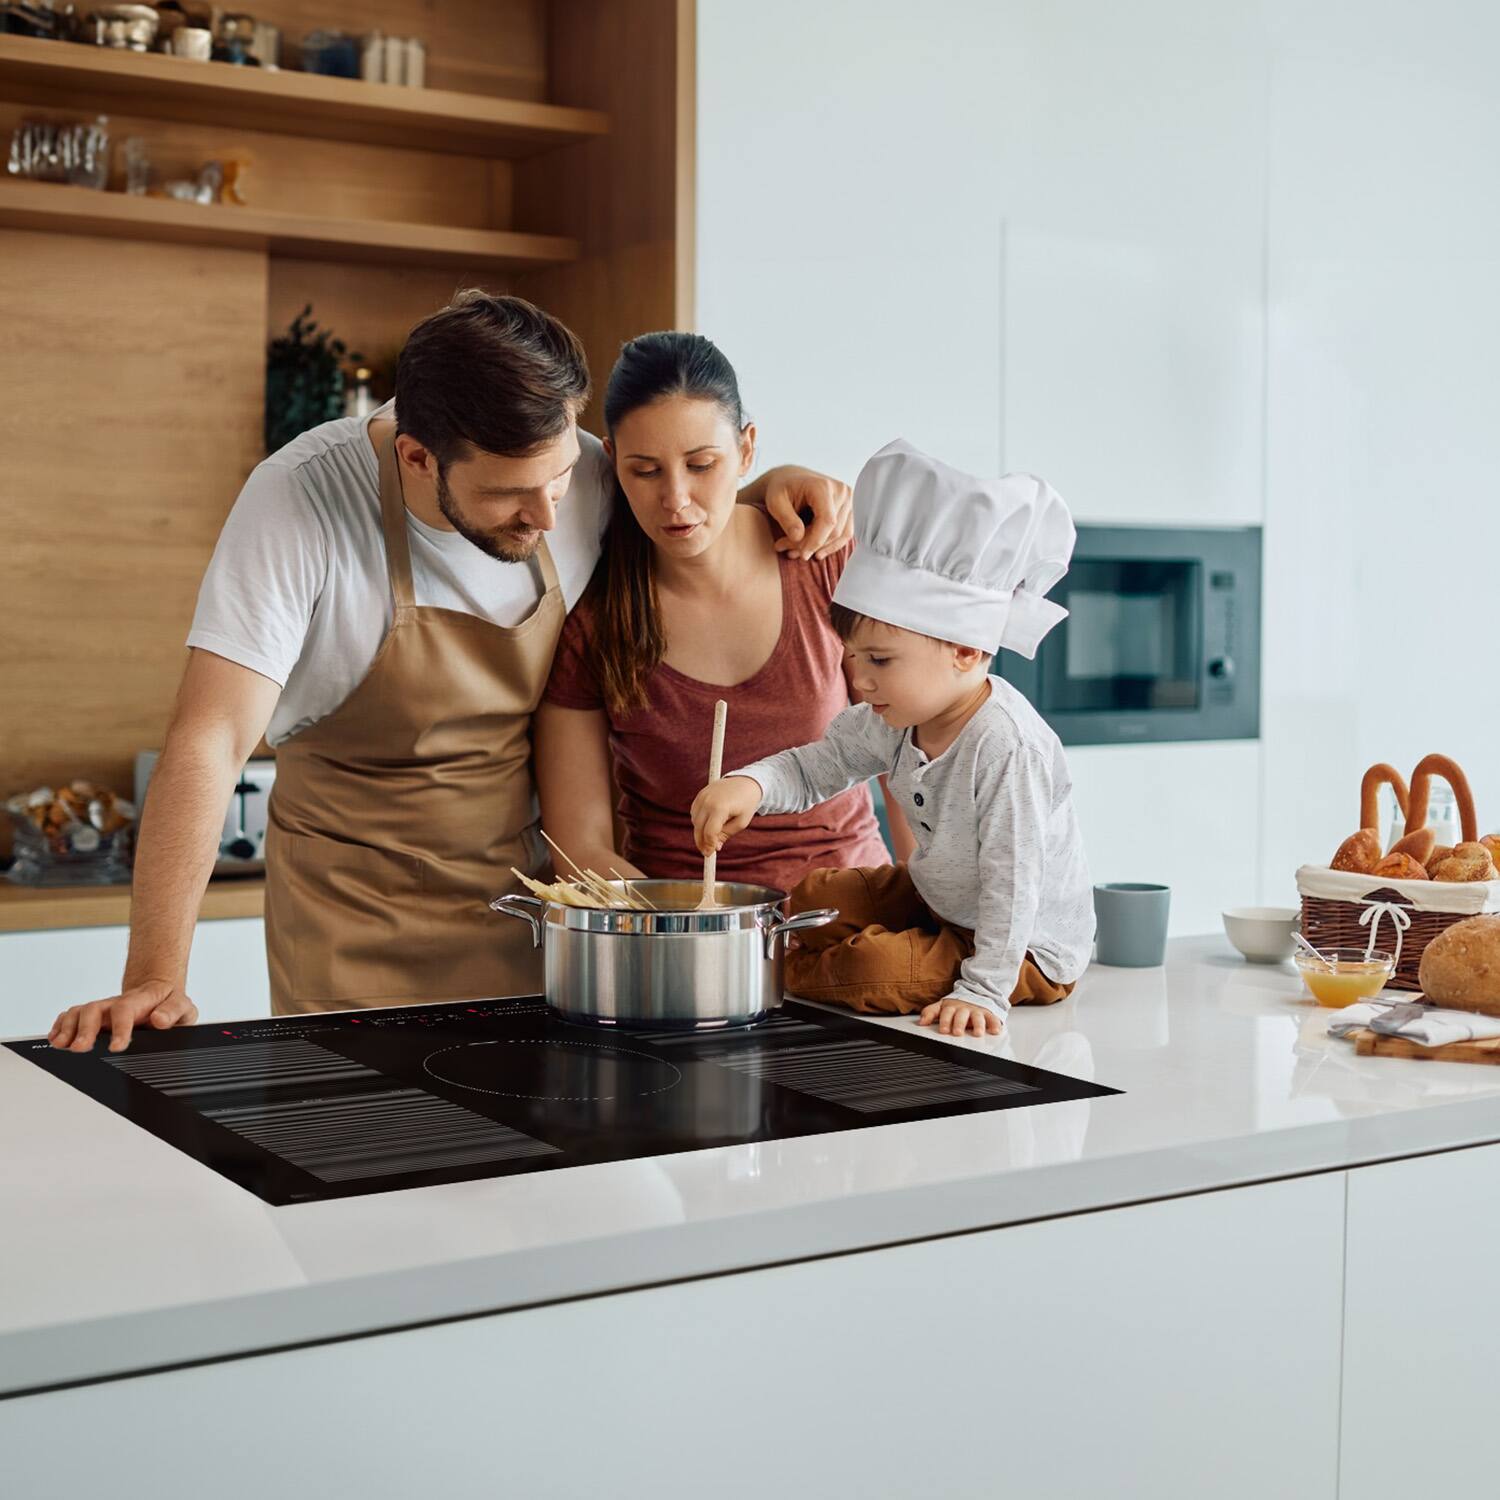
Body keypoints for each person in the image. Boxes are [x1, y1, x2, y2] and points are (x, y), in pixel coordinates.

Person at [48, 293, 854, 1053]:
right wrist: (155, 976)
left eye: (563, 478)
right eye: (510, 495)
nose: (547, 516)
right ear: (416, 456)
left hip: (527, 915)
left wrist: (770, 487)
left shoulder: (579, 474)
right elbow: (210, 739)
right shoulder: (301, 503)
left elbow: (684, 502)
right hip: (351, 928)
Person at [691, 439, 1096, 1038]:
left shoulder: (1007, 747)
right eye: (853, 658)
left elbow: (1016, 882)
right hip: (943, 902)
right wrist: (751, 785)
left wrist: (984, 990)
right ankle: (816, 954)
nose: (858, 678)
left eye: (879, 659)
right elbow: (819, 765)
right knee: (811, 897)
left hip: (1022, 948)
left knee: (866, 968)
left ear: (965, 650)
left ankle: (785, 971)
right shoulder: (897, 717)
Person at [536, 332, 907, 892]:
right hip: (687, 929)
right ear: (612, 462)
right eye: (646, 470)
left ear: (747, 450)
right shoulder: (595, 624)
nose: (676, 498)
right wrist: (682, 935)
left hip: (853, 914)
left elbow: (908, 761)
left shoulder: (830, 566)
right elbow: (579, 847)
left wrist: (935, 910)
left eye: (702, 463)